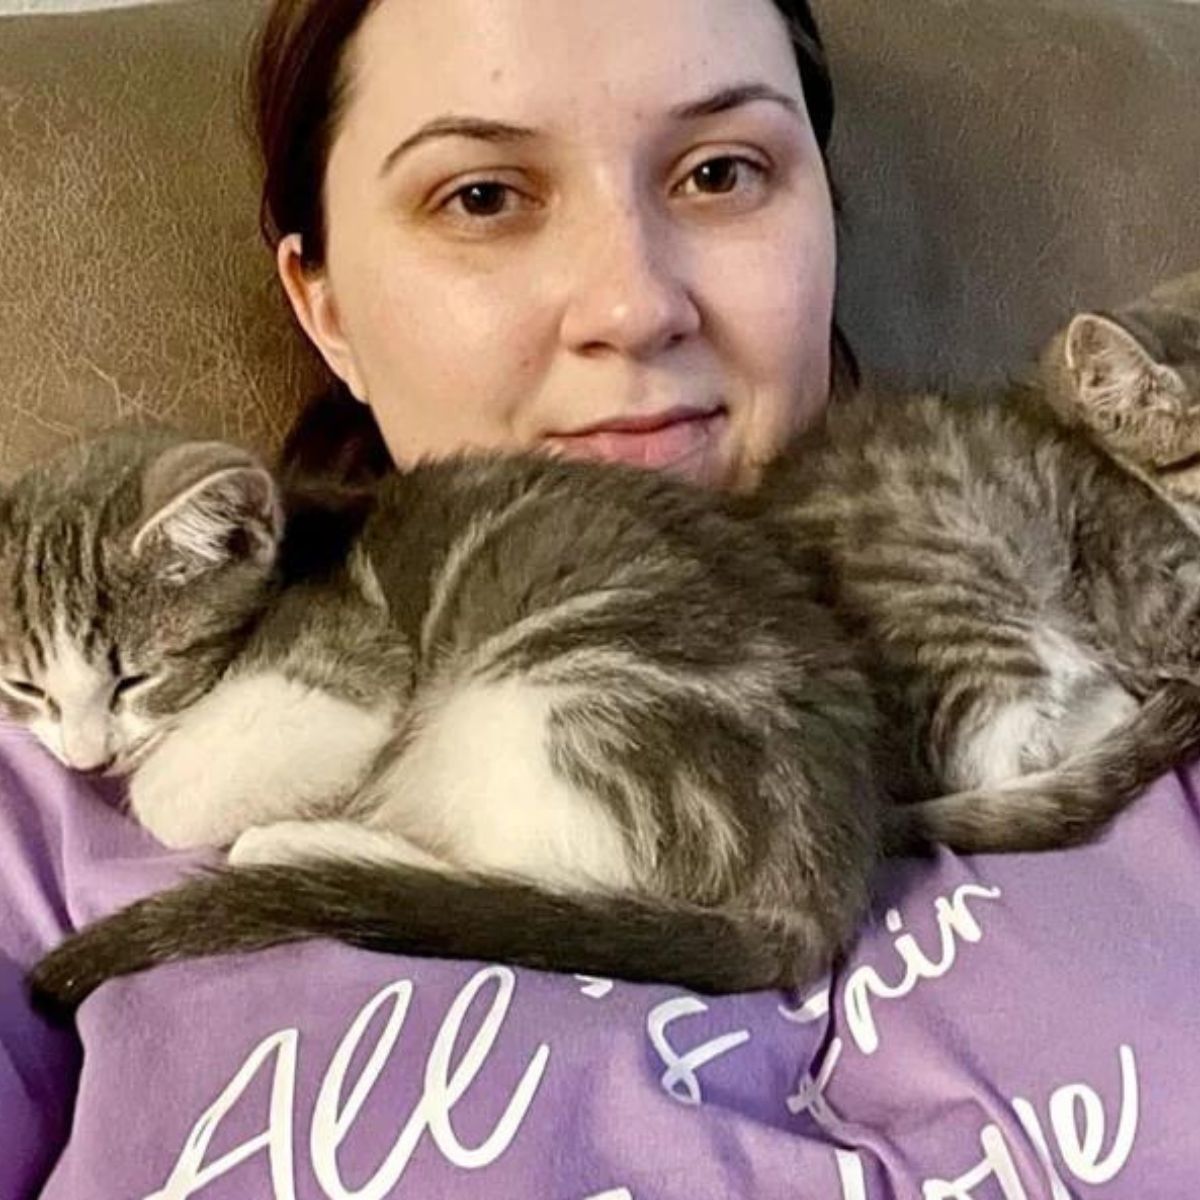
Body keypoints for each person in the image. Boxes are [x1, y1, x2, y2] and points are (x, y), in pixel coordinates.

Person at [3, 1, 1199, 1196]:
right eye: (482, 196)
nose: (633, 306)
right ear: (325, 308)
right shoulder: (52, 802)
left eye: (721, 171)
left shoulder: (1153, 661)